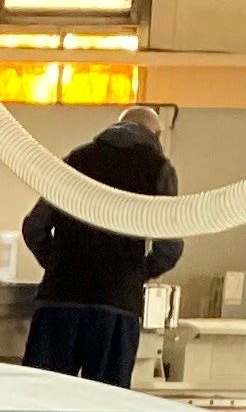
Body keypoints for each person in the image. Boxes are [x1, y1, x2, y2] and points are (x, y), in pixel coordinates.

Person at [18, 107, 182, 388]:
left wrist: (57, 263)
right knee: (107, 405)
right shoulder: (158, 168)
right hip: (115, 307)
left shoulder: (76, 159)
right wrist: (136, 273)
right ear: (155, 134)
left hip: (60, 301)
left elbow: (35, 227)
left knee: (42, 397)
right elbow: (170, 245)